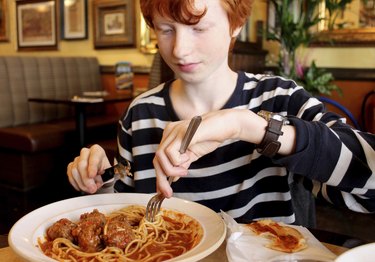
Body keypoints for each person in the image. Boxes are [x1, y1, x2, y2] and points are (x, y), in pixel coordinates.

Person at [67, 0, 375, 227]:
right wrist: (102, 179)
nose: (180, 50)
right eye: (165, 30)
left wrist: (247, 126)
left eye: (198, 27)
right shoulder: (140, 114)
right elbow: (127, 211)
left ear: (236, 24)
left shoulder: (279, 99)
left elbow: (369, 181)